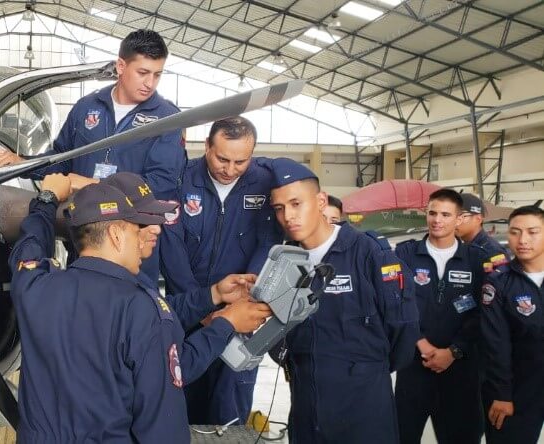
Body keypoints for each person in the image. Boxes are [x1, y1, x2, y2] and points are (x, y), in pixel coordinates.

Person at [8, 176, 271, 442]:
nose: (153, 231)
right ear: (115, 235)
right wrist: (224, 324)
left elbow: (28, 248)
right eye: (137, 227)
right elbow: (163, 428)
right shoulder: (142, 309)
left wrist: (45, 201)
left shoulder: (33, 287)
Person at [0, 28, 185, 287]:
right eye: (143, 73)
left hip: (131, 247)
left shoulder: (168, 119)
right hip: (85, 236)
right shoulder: (87, 107)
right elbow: (61, 159)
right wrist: (24, 163)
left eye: (157, 74)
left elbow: (160, 185)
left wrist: (90, 185)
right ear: (120, 66)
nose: (150, 83)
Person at [268, 157, 420, 444]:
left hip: (363, 406)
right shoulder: (282, 261)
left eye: (296, 203)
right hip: (306, 402)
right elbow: (276, 329)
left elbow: (403, 327)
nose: (288, 215)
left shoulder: (369, 254)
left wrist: (365, 372)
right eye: (279, 208)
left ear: (321, 201)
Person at [158, 116, 283, 425]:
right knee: (181, 404)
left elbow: (267, 243)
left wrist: (243, 303)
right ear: (207, 147)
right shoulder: (180, 180)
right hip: (186, 316)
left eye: (241, 161)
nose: (230, 169)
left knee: (229, 410)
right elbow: (171, 250)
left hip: (240, 317)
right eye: (222, 158)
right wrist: (202, 308)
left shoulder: (267, 183)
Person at [102, 172, 266, 383]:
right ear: (115, 229)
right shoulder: (113, 295)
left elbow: (159, 312)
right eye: (144, 220)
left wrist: (214, 294)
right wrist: (227, 322)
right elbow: (168, 371)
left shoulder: (127, 279)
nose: (157, 229)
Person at [393, 189, 505, 444]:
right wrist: (420, 343)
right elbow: (397, 306)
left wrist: (454, 351)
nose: (437, 220)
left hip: (461, 370)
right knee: (402, 435)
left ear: (459, 219)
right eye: (432, 213)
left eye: (446, 214)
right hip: (413, 366)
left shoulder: (479, 259)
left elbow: (485, 313)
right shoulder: (405, 255)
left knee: (461, 437)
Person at [481, 205, 544, 443]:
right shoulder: (498, 282)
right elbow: (496, 344)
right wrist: (501, 394)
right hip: (518, 388)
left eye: (532, 232)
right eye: (515, 232)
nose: (523, 240)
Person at [457, 192, 510, 261]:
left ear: (478, 219)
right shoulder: (461, 246)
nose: (455, 221)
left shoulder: (492, 252)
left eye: (461, 216)